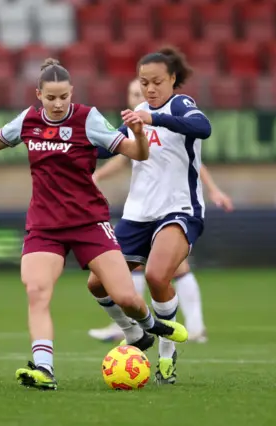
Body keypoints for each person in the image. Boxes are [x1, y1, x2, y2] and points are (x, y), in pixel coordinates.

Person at [0, 58, 188, 391]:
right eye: (50, 98)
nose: (57, 104)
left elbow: (137, 155)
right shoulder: (28, 120)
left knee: (127, 298)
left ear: (71, 93)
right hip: (44, 226)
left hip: (89, 222)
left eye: (63, 97)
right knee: (37, 292)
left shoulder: (88, 119)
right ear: (38, 94)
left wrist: (139, 135)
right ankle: (44, 369)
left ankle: (148, 326)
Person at [86, 46, 213, 385]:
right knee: (97, 283)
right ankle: (135, 335)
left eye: (157, 81)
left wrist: (152, 118)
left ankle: (167, 357)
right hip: (137, 214)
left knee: (157, 276)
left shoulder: (181, 106)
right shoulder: (138, 111)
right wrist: (67, 139)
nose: (150, 88)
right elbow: (106, 147)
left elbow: (203, 128)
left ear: (173, 79)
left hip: (179, 209)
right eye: (145, 82)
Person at [88, 79, 234, 344]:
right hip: (142, 210)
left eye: (141, 90)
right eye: (134, 91)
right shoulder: (136, 126)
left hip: (173, 209)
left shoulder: (169, 117)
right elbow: (119, 155)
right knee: (131, 275)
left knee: (166, 272)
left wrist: (213, 190)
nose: (138, 96)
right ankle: (137, 326)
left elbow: (194, 161)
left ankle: (183, 332)